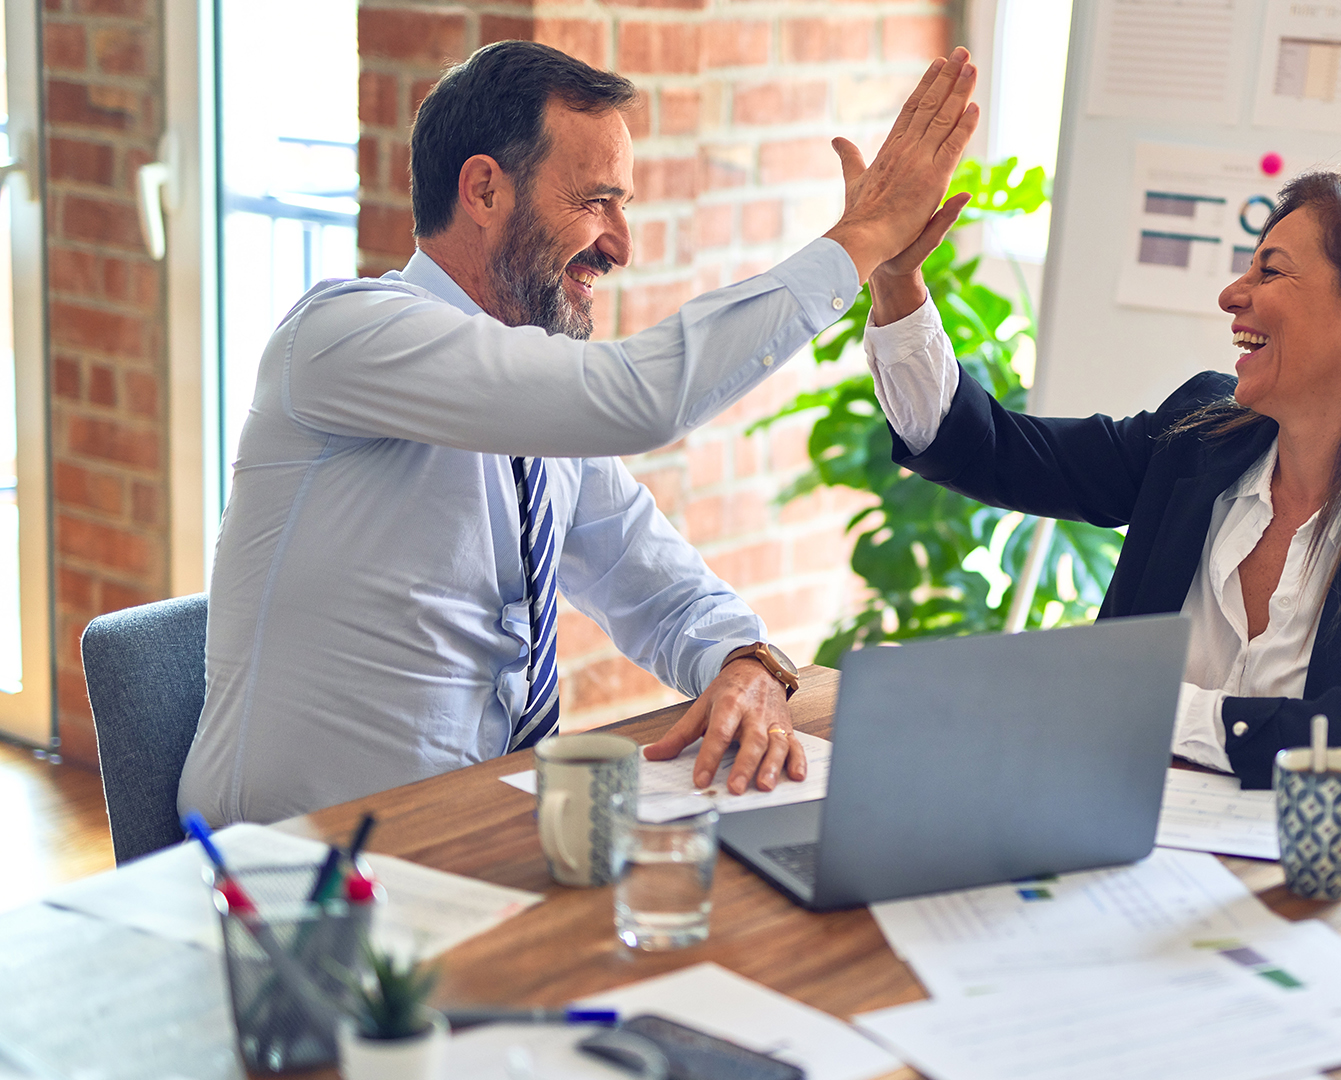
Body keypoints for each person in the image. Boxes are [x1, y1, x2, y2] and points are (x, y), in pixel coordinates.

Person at [178, 40, 980, 826]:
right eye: (597, 201)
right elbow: (641, 398)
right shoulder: (344, 336)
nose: (621, 245)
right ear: (485, 191)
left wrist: (746, 662)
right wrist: (863, 238)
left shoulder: (538, 412)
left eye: (622, 206)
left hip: (476, 841)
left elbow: (657, 584)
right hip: (293, 876)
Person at [861, 166, 1341, 807]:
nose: (1232, 295)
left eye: (1269, 271)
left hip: (1328, 889)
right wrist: (897, 284)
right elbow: (990, 450)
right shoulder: (1198, 437)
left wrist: (1141, 705)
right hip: (1121, 837)